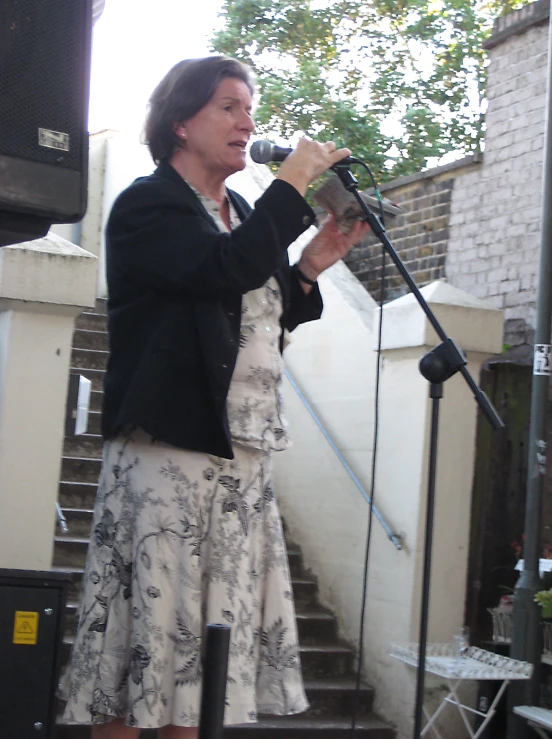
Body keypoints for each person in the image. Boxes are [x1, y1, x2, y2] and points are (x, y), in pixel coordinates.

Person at [61, 55, 369, 739]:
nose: (247, 121)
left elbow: (260, 312)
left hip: (244, 462)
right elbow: (219, 270)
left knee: (201, 661)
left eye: (249, 107)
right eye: (229, 106)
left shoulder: (239, 215)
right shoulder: (150, 204)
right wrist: (290, 186)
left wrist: (311, 267)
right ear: (180, 121)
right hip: (168, 454)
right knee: (137, 654)